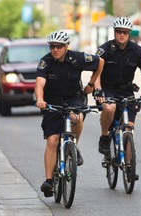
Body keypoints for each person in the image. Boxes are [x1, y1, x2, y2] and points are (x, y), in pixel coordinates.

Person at [35, 30, 104, 197]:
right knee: (52, 140)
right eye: (52, 46)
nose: (55, 50)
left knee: (77, 118)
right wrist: (40, 99)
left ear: (66, 47)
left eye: (58, 46)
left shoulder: (77, 58)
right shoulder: (46, 62)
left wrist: (91, 84)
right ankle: (49, 181)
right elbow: (39, 83)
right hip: (52, 102)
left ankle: (74, 145)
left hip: (74, 99)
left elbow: (100, 62)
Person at [93, 17, 141, 180]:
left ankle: (128, 167)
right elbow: (96, 70)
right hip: (108, 90)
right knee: (109, 108)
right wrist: (98, 89)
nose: (121, 35)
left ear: (129, 34)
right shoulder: (105, 49)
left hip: (127, 92)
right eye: (119, 32)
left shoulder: (137, 51)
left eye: (125, 33)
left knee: (129, 128)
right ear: (114, 33)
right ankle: (105, 138)